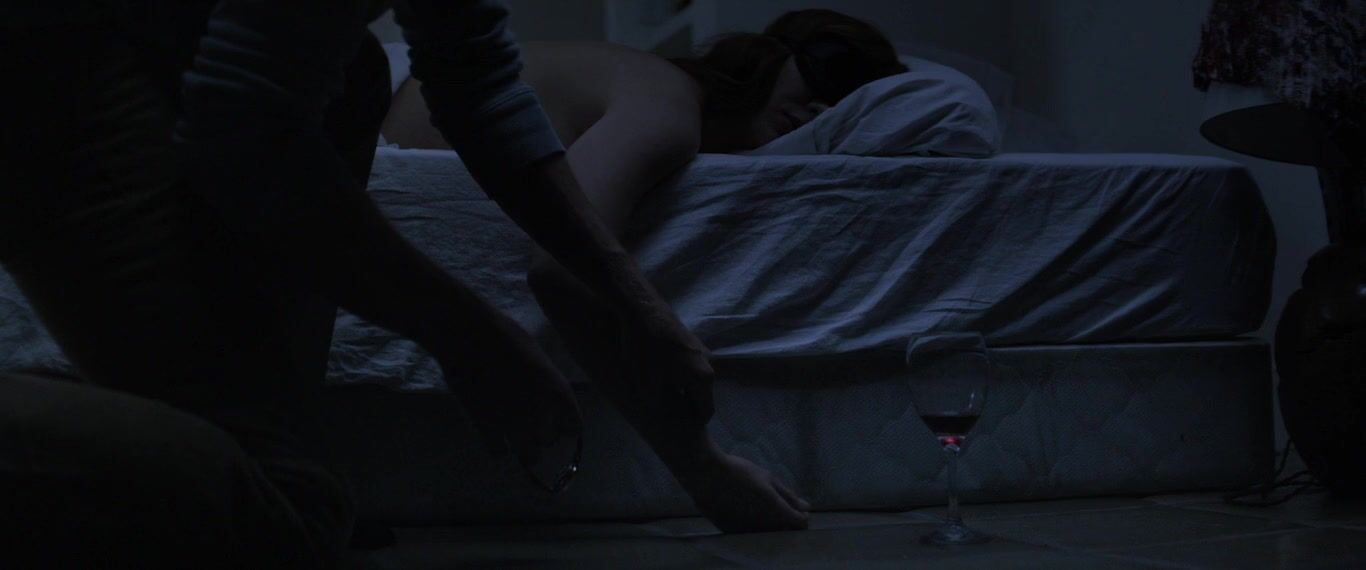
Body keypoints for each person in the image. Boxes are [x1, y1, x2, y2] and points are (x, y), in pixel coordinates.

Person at [0, 2, 796, 567]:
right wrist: (470, 335)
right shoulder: (666, 97)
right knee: (288, 515)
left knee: (352, 72)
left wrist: (633, 298)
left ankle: (277, 447)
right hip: (54, 43)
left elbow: (474, 79)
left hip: (154, 52)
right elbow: (242, 130)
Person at [381, 8, 906, 530]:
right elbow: (563, 271)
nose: (822, 108)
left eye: (848, 104)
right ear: (772, 56)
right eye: (826, 71)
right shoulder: (666, 101)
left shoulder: (665, 102)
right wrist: (701, 467)